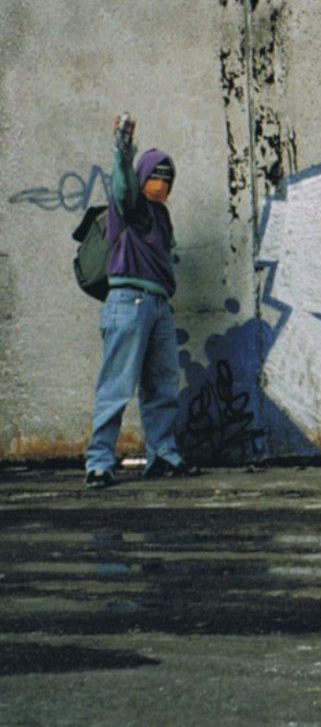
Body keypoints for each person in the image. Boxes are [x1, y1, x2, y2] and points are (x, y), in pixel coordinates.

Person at [84, 113, 200, 488]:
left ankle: (163, 455)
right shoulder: (130, 208)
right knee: (116, 386)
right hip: (128, 302)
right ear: (141, 178)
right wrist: (122, 145)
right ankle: (99, 463)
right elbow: (121, 186)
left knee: (162, 386)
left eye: (167, 179)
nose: (161, 184)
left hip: (158, 306)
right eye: (154, 176)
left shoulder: (161, 216)